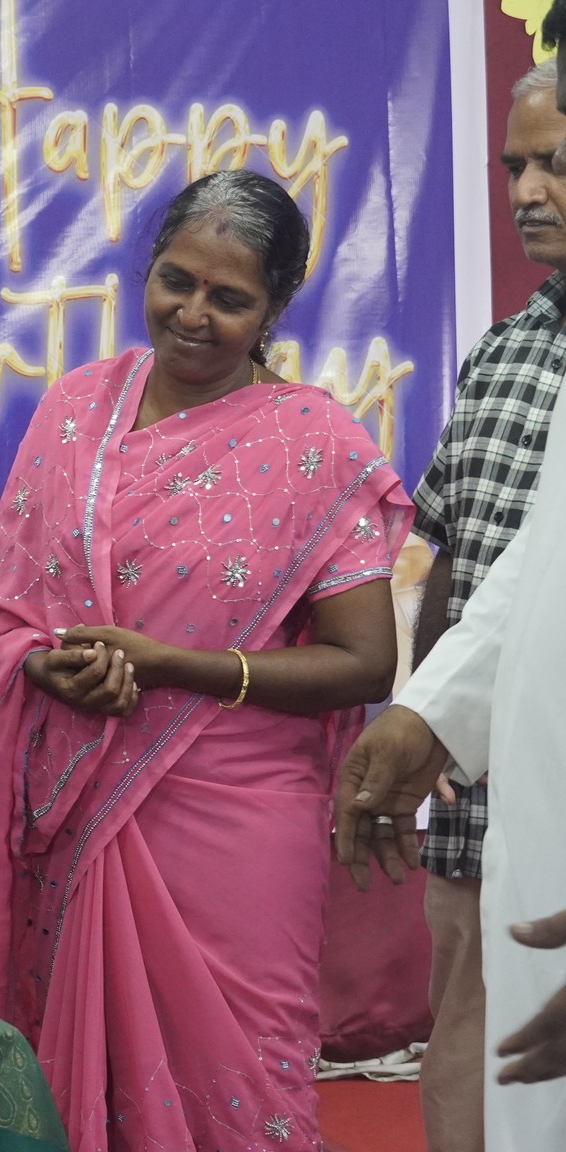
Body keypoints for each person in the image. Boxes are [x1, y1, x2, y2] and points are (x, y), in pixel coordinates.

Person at [0, 169, 411, 1152]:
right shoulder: (76, 409)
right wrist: (42, 667)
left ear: (273, 309)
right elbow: (1, 619)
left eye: (228, 298)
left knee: (246, 1085)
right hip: (80, 807)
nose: (192, 314)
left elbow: (365, 662)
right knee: (96, 1081)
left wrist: (172, 665)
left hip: (238, 827)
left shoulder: (315, 445)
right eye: (176, 280)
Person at [404, 57, 566, 1152]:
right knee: (478, 1043)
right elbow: (476, 565)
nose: (527, 191)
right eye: (514, 167)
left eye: (553, 163)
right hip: (482, 791)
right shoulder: (504, 351)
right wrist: (424, 715)